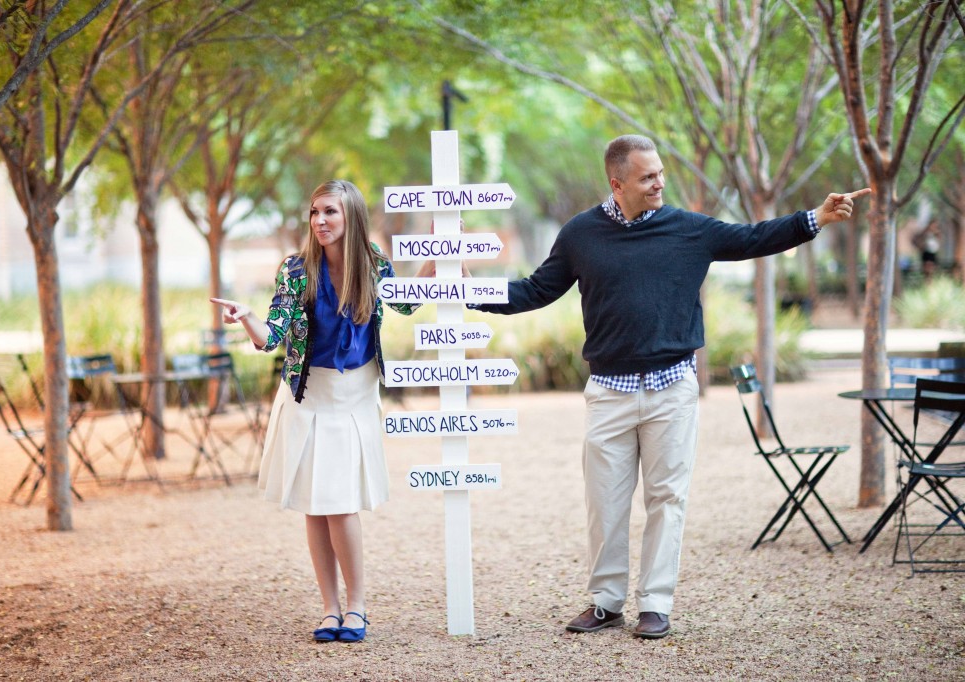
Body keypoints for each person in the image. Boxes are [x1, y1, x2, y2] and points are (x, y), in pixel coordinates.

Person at [471, 135, 869, 639]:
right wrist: (470, 291)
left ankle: (655, 604)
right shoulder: (580, 235)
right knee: (605, 503)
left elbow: (751, 238)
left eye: (659, 173)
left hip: (671, 390)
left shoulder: (688, 229)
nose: (660, 182)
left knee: (667, 499)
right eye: (647, 177)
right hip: (608, 392)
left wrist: (816, 217)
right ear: (617, 184)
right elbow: (534, 290)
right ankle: (606, 602)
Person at [211, 179, 423, 643]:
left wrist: (439, 260)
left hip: (354, 396)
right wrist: (246, 317)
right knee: (314, 505)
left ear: (350, 216)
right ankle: (330, 609)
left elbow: (407, 302)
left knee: (341, 505)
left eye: (330, 212)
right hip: (308, 396)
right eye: (314, 212)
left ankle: (357, 607)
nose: (320, 221)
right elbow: (271, 336)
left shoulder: (373, 264)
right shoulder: (296, 269)